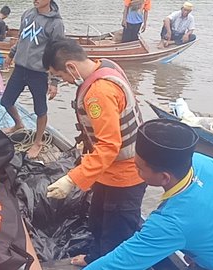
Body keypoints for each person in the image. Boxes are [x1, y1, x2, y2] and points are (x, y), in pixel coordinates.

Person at [85, 119, 213, 269]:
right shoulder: (203, 162)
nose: (135, 171)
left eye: (139, 168)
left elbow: (118, 263)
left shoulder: (172, 223)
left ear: (164, 177)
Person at [42, 38, 145, 266]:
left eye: (61, 77)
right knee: (97, 221)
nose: (66, 82)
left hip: (125, 176)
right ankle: (94, 257)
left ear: (71, 66)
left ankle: (107, 262)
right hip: (107, 172)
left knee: (116, 234)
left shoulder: (98, 92)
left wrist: (72, 179)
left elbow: (109, 146)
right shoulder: (107, 65)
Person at [1, 0, 65, 158]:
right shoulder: (28, 14)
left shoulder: (56, 24)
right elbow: (21, 38)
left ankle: (37, 142)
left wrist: (55, 81)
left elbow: (58, 53)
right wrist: (11, 55)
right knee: (6, 101)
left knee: (40, 110)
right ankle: (18, 124)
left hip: (39, 73)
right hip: (20, 68)